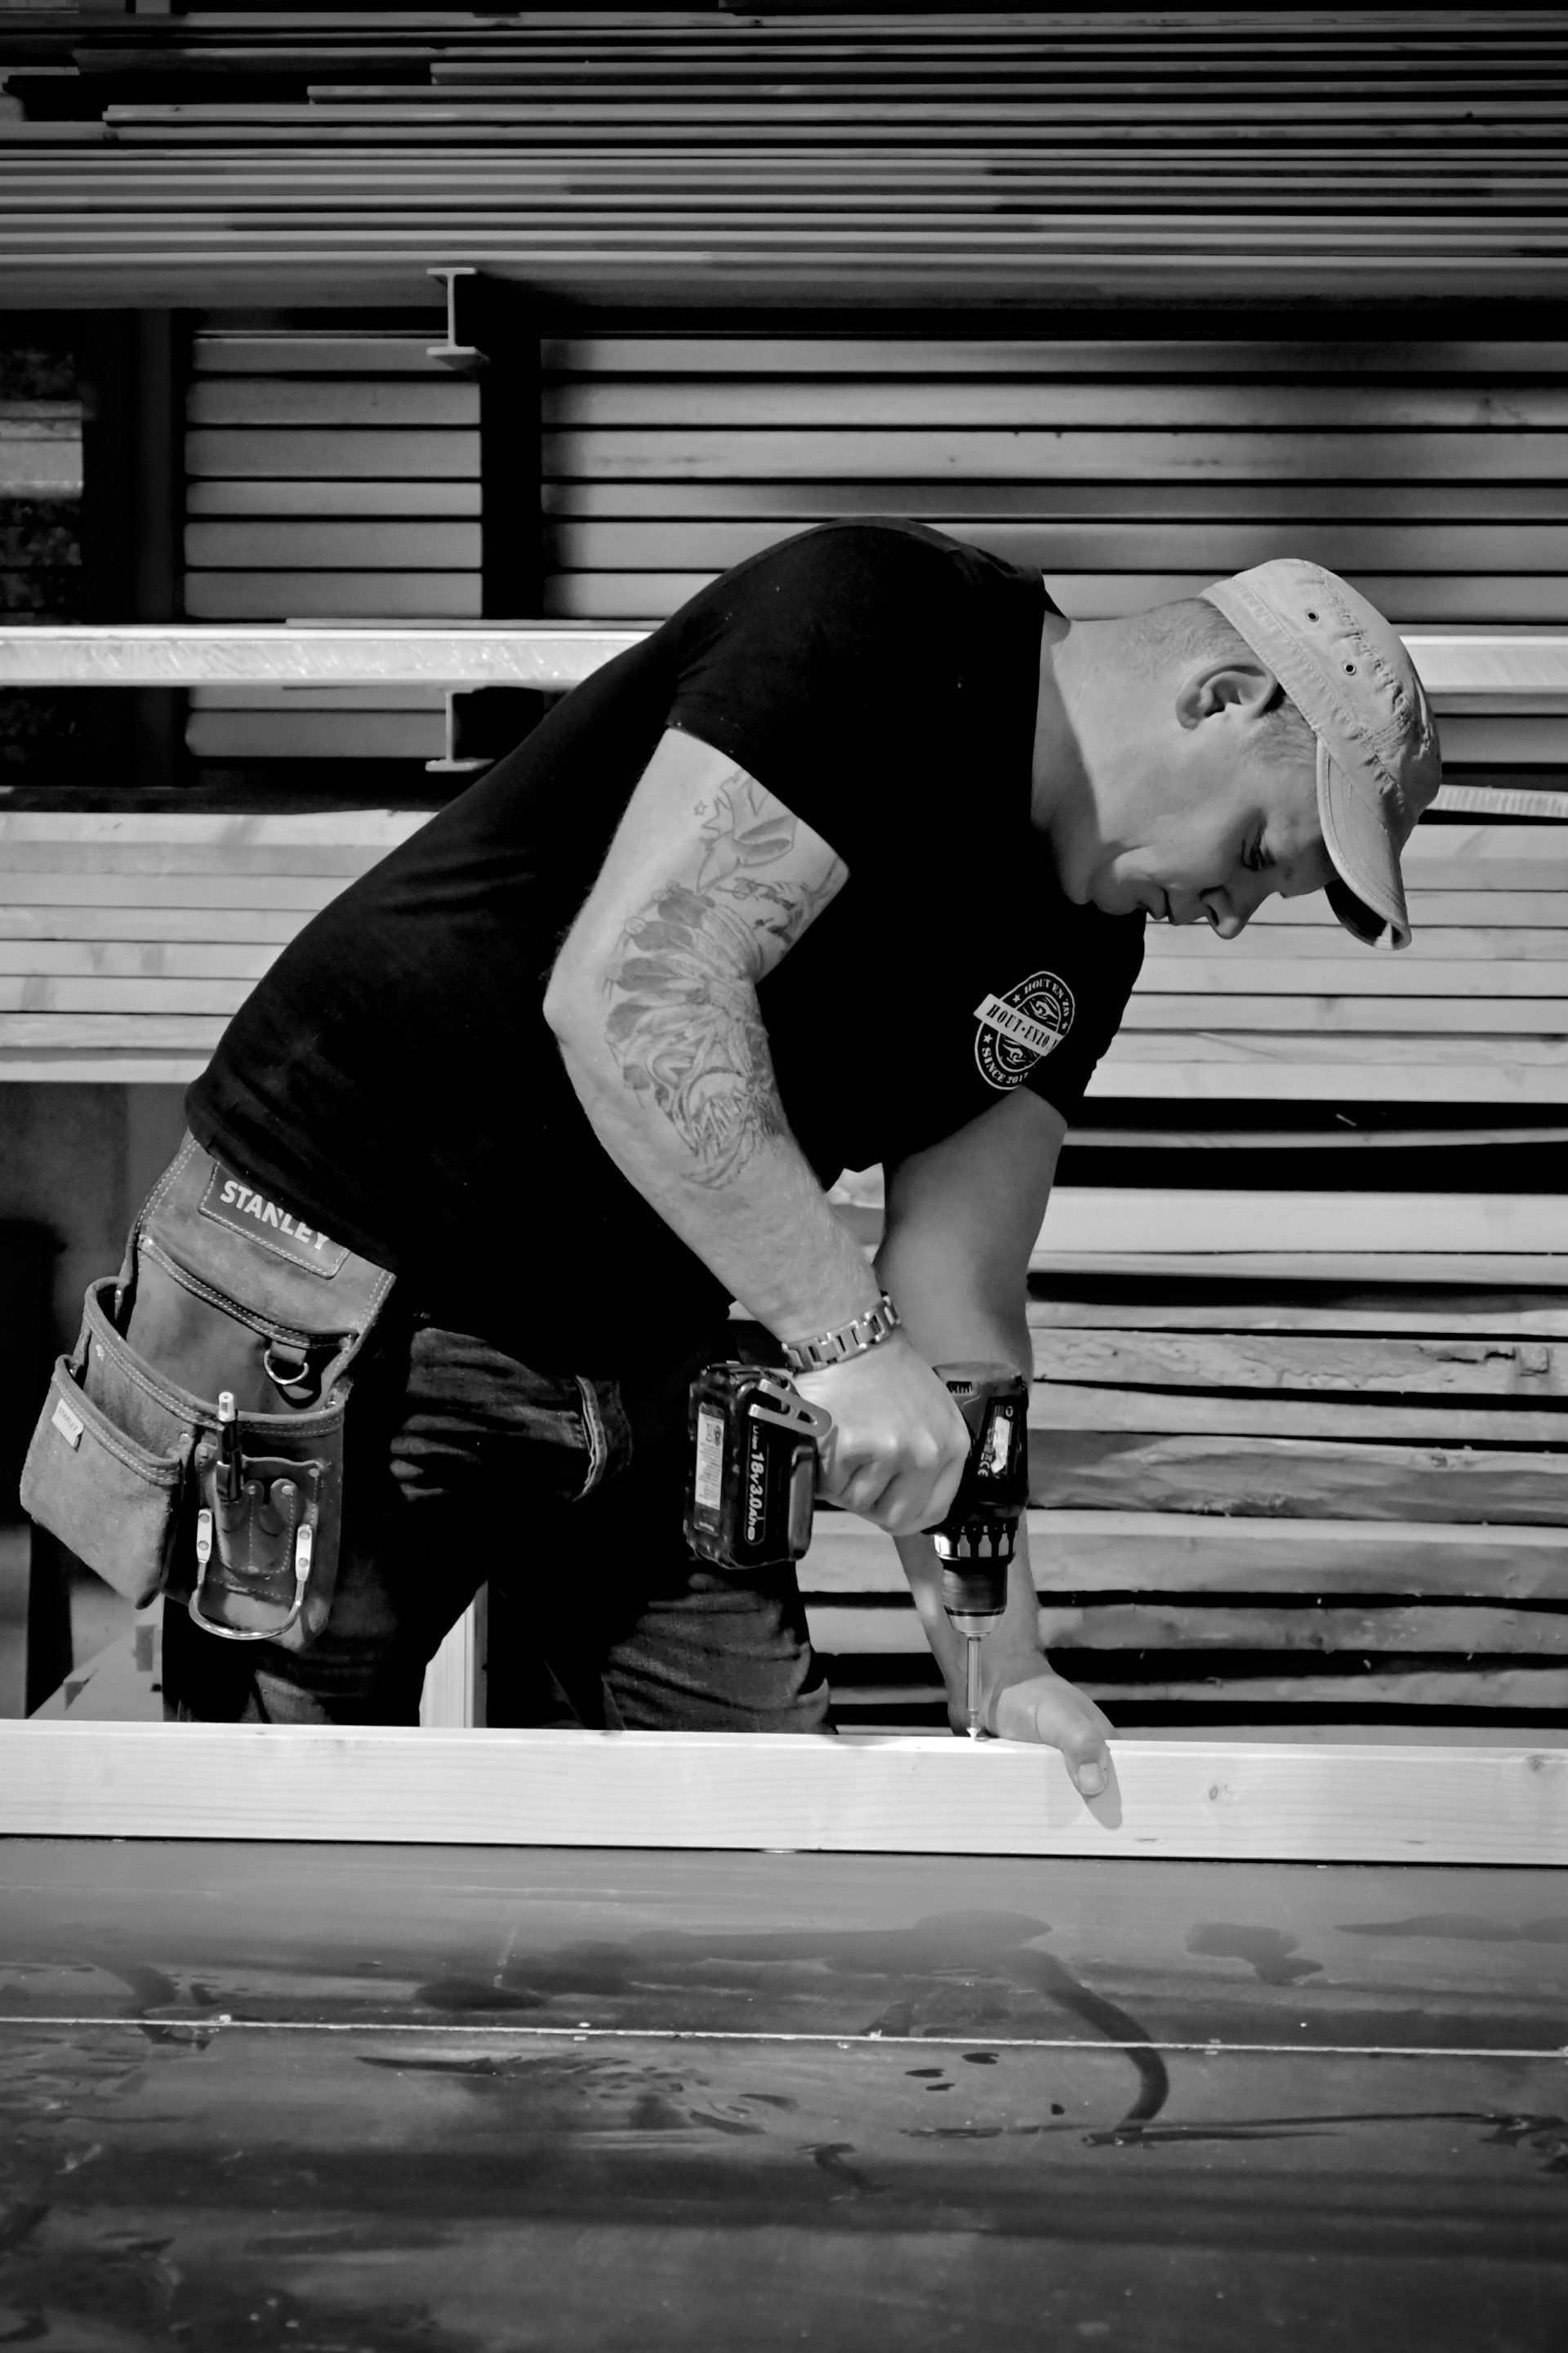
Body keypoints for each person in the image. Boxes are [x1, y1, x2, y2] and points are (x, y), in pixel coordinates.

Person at [48, 524, 1442, 1787]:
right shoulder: (885, 626)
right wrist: (844, 1336)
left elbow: (959, 1292)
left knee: (768, 1838)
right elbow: (635, 994)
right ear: (1223, 697)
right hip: (343, 1276)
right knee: (278, 1842)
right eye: (1262, 849)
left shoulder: (1087, 941)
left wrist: (998, 1662)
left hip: (634, 1343)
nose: (1236, 911)